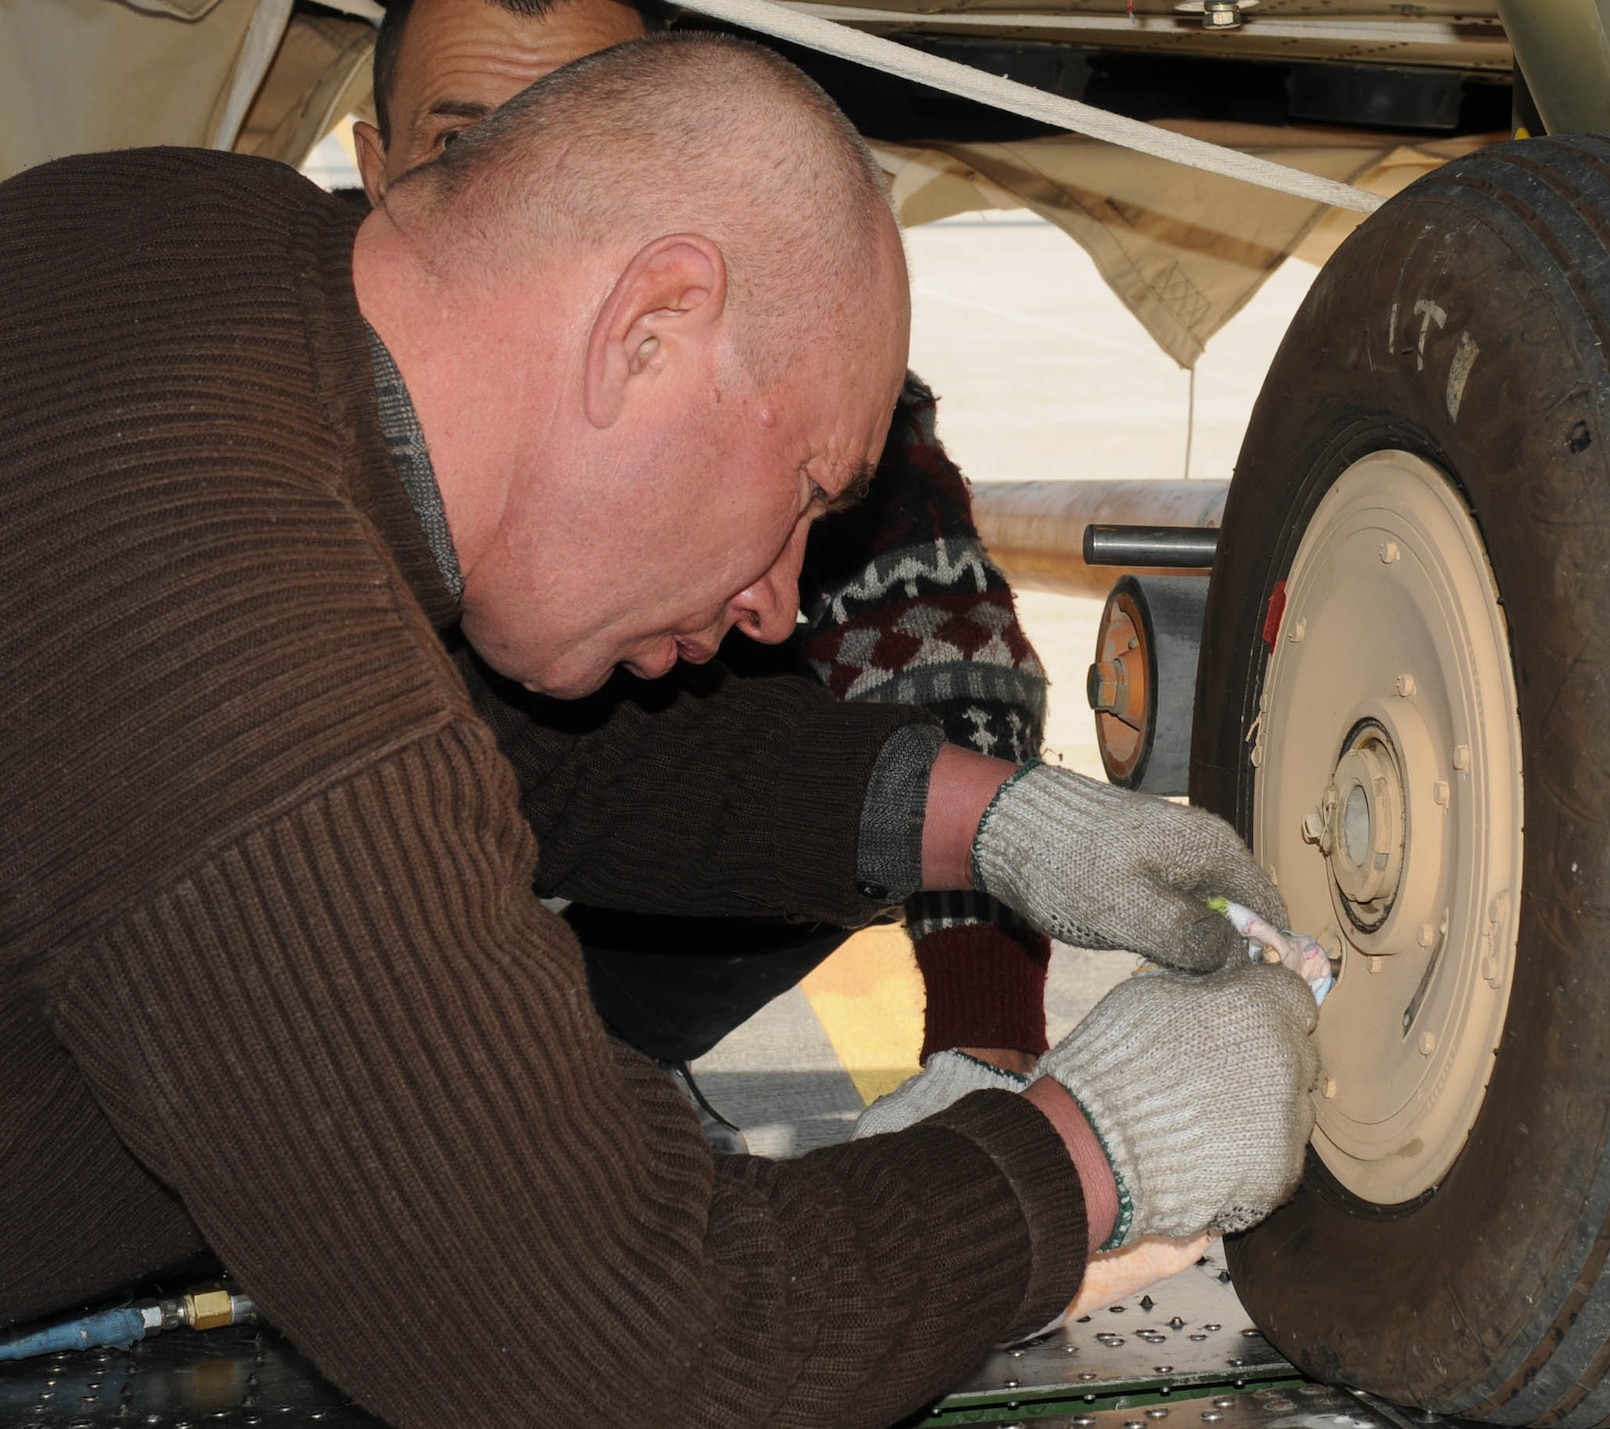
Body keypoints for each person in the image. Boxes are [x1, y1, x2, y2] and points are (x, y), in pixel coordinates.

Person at [0, 33, 1319, 1429]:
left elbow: (501, 743)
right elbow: (634, 1352)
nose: (774, 605)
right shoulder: (225, 623)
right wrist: (1098, 1150)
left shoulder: (180, 242)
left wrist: (994, 820)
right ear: (650, 328)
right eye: (809, 490)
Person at [355, 0, 1059, 1111]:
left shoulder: (784, 420)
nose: (522, 193)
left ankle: (585, 1070)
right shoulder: (268, 458)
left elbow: (945, 665)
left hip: (602, 957)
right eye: (461, 141)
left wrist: (987, 1028)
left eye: (567, 134)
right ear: (372, 161)